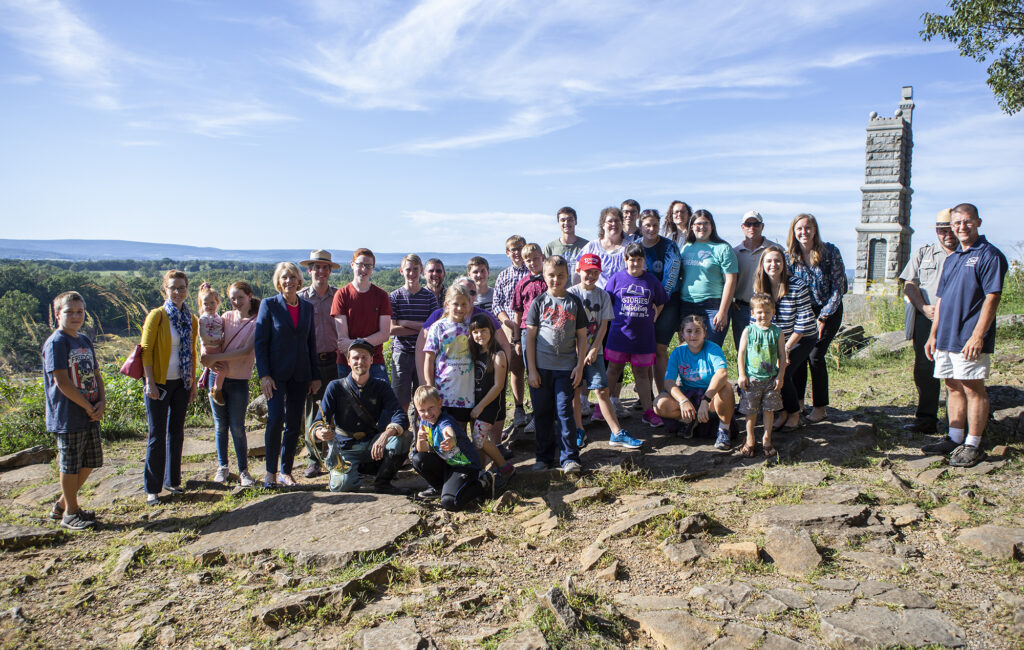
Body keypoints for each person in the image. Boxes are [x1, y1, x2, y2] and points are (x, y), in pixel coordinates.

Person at [924, 203, 1008, 467]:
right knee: (951, 386)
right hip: (946, 335)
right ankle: (954, 436)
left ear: (978, 222)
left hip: (969, 335)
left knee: (973, 387)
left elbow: (992, 297)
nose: (961, 227)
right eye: (957, 223)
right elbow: (941, 300)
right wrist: (933, 334)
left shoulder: (989, 255)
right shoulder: (952, 258)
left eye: (967, 222)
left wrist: (977, 336)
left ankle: (973, 443)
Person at [312, 339, 411, 494]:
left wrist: (386, 434)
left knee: (403, 437)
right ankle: (353, 472)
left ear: (372, 360)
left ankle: (382, 482)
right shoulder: (335, 387)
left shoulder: (381, 386)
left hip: (372, 444)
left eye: (364, 357)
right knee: (342, 487)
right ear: (348, 361)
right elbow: (318, 421)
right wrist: (320, 433)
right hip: (346, 448)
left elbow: (400, 415)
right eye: (356, 358)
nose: (360, 361)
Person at [255, 262, 320, 488]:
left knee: (293, 424)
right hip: (275, 375)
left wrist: (315, 375)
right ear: (278, 281)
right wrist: (264, 375)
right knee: (275, 421)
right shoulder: (269, 305)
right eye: (284, 277)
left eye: (292, 277)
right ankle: (270, 473)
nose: (289, 281)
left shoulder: (307, 308)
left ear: (299, 280)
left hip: (300, 374)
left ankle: (286, 471)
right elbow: (260, 343)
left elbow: (311, 344)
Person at [42, 291, 105, 530]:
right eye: (70, 312)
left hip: (90, 412)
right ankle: (70, 512)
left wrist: (101, 402)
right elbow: (62, 381)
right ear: (58, 315)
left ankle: (63, 504)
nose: (76, 316)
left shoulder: (84, 340)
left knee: (90, 460)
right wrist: (88, 406)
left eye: (80, 311)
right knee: (70, 465)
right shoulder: (57, 342)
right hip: (68, 414)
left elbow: (96, 374)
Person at [569, 254, 642, 449]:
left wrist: (593, 349)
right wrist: (580, 351)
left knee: (602, 390)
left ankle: (616, 432)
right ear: (578, 271)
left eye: (595, 272)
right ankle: (578, 430)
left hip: (595, 351)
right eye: (587, 272)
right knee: (575, 391)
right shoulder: (570, 294)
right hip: (573, 353)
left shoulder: (603, 295)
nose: (590, 276)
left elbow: (603, 326)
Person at [525, 255, 588, 474]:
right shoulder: (539, 302)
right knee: (542, 413)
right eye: (551, 275)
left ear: (568, 276)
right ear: (544, 276)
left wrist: (580, 366)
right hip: (541, 369)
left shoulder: (574, 302)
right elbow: (530, 338)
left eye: (561, 275)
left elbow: (582, 337)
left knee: (564, 412)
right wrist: (531, 370)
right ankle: (544, 457)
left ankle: (569, 457)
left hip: (566, 369)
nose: (556, 279)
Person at [141, 270, 198, 506]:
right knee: (156, 435)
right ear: (165, 289)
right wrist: (150, 382)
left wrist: (192, 384)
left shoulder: (191, 319)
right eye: (173, 288)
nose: (178, 292)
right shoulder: (158, 316)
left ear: (187, 289)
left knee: (176, 433)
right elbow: (145, 349)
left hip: (181, 383)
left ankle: (172, 481)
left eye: (182, 288)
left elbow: (193, 353)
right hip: (160, 384)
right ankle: (152, 489)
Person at [899, 209, 957, 435]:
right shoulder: (925, 253)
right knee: (924, 369)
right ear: (937, 231)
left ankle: (957, 421)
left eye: (950, 229)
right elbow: (909, 284)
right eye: (942, 230)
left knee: (955, 371)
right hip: (926, 320)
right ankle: (926, 418)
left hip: (957, 322)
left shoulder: (968, 254)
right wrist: (923, 307)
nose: (947, 234)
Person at [785, 214, 846, 424]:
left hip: (829, 310)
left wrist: (823, 316)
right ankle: (799, 402)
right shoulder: (789, 257)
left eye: (808, 228)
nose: (804, 232)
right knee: (797, 356)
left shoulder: (829, 252)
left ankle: (820, 407)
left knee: (815, 355)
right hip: (801, 313)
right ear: (794, 232)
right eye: (799, 229)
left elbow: (839, 287)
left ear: (815, 230)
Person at [753, 245, 817, 432]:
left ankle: (794, 413)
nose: (773, 265)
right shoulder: (760, 289)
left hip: (802, 337)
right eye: (769, 261)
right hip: (775, 340)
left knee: (784, 371)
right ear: (763, 264)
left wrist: (785, 349)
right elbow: (757, 321)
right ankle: (781, 412)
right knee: (769, 371)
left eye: (778, 260)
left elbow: (803, 322)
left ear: (784, 263)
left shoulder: (797, 285)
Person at [604, 243, 669, 428]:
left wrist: (655, 313)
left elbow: (661, 301)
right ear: (626, 260)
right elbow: (607, 302)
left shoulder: (651, 281)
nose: (635, 263)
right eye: (632, 260)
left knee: (641, 374)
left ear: (644, 261)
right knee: (613, 370)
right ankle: (603, 407)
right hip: (619, 335)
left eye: (639, 260)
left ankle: (648, 412)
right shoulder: (616, 279)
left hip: (643, 337)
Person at [202, 281, 259, 487]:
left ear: (249, 296)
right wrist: (205, 354)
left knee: (237, 427)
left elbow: (245, 350)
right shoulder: (225, 317)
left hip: (239, 380)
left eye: (240, 298)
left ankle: (243, 470)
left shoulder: (256, 322)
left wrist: (217, 359)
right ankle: (223, 467)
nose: (236, 302)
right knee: (220, 426)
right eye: (233, 298)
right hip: (216, 377)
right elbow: (209, 338)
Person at [654, 315, 736, 450]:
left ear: (705, 333)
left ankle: (723, 430)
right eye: (689, 331)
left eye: (698, 331)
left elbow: (722, 373)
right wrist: (682, 401)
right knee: (659, 404)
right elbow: (669, 382)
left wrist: (706, 399)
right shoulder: (677, 352)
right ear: (682, 334)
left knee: (726, 388)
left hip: (710, 395)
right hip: (689, 395)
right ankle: (688, 421)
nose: (693, 335)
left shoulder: (713, 349)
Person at [297, 249, 341, 479]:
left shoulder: (338, 296)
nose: (321, 271)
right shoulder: (301, 298)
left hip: (335, 360)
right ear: (310, 269)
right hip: (311, 362)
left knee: (336, 410)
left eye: (326, 267)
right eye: (317, 267)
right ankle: (313, 459)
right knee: (312, 412)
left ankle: (335, 456)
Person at [410, 385, 487, 511]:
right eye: (422, 410)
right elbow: (422, 450)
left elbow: (448, 430)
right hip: (448, 464)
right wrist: (420, 439)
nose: (427, 413)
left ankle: (482, 482)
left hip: (465, 466)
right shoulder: (425, 421)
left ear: (440, 403)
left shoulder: (445, 420)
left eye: (431, 408)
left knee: (450, 502)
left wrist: (451, 439)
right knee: (418, 459)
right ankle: (440, 488)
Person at [638, 209, 682, 405]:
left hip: (668, 302)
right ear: (641, 226)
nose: (651, 229)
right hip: (641, 303)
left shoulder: (669, 246)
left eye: (655, 225)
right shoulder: (634, 246)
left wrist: (658, 307)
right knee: (644, 350)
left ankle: (663, 392)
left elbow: (670, 278)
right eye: (647, 225)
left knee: (659, 348)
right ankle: (646, 397)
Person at [736, 293, 786, 457]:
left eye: (767, 312)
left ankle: (767, 438)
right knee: (750, 412)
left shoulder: (777, 332)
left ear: (773, 312)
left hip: (770, 380)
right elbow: (741, 353)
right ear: (752, 313)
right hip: (752, 380)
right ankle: (750, 439)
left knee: (769, 410)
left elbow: (782, 355)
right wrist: (742, 375)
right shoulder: (748, 331)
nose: (763, 315)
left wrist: (780, 376)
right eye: (759, 312)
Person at [331, 248, 392, 382]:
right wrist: (360, 346)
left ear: (373, 268)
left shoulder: (381, 296)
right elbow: (343, 340)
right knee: (348, 403)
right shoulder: (341, 295)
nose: (364, 269)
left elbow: (384, 334)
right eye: (360, 264)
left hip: (374, 362)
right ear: (352, 265)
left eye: (368, 266)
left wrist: (355, 343)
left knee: (379, 402)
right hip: (347, 362)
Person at [680, 209, 738, 348]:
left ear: (712, 226)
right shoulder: (686, 248)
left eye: (706, 223)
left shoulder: (723, 248)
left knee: (710, 349)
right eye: (698, 224)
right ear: (692, 227)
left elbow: (730, 280)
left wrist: (723, 311)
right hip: (687, 304)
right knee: (688, 350)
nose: (702, 227)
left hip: (713, 306)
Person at [389, 254, 439, 414]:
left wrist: (404, 322)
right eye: (408, 269)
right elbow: (391, 329)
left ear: (421, 271)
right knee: (400, 401)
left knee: (424, 400)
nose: (412, 273)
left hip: (424, 354)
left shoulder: (429, 297)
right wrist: (422, 327)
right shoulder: (395, 297)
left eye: (415, 269)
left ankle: (421, 436)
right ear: (401, 271)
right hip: (401, 354)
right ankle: (402, 435)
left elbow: (434, 329)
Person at [467, 314, 516, 477]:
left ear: (491, 331)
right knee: (478, 440)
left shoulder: (498, 355)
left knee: (478, 438)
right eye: (475, 332)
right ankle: (483, 469)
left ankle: (504, 466)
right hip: (476, 401)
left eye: (483, 331)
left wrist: (480, 406)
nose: (479, 335)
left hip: (490, 404)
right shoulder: (475, 352)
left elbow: (498, 385)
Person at [423, 283, 477, 430]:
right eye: (456, 304)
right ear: (447, 304)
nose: (460, 308)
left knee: (460, 432)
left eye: (463, 304)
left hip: (465, 392)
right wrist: (429, 386)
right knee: (444, 431)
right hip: (443, 393)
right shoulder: (438, 327)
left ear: (469, 304)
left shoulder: (471, 328)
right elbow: (429, 359)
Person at [492, 235, 530, 430]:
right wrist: (507, 321)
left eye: (519, 248)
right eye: (512, 249)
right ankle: (518, 408)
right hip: (508, 328)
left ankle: (537, 408)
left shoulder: (533, 272)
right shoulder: (503, 276)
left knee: (533, 367)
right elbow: (496, 303)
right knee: (514, 368)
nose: (516, 252)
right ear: (507, 253)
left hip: (531, 327)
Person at [732, 211, 780, 350]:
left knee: (767, 349)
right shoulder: (734, 252)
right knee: (743, 349)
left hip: (767, 308)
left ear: (762, 226)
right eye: (748, 224)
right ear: (742, 227)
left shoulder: (774, 250)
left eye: (756, 224)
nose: (752, 227)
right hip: (741, 308)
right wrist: (731, 301)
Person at [579, 207, 628, 288]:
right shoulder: (592, 246)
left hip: (620, 296)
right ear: (603, 225)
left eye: (617, 221)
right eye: (610, 221)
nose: (614, 224)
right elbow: (578, 271)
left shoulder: (628, 248)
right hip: (596, 296)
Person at [197, 283, 225, 405]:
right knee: (222, 369)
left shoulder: (218, 318)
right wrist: (218, 339)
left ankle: (216, 388)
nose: (209, 306)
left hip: (217, 348)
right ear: (201, 305)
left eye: (212, 303)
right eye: (206, 304)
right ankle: (215, 389)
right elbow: (203, 335)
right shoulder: (203, 319)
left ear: (217, 302)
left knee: (223, 369)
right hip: (210, 348)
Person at [544, 206, 589, 279]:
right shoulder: (550, 248)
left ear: (576, 222)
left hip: (580, 289)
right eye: (563, 220)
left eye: (570, 219)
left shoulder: (587, 246)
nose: (566, 223)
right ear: (558, 223)